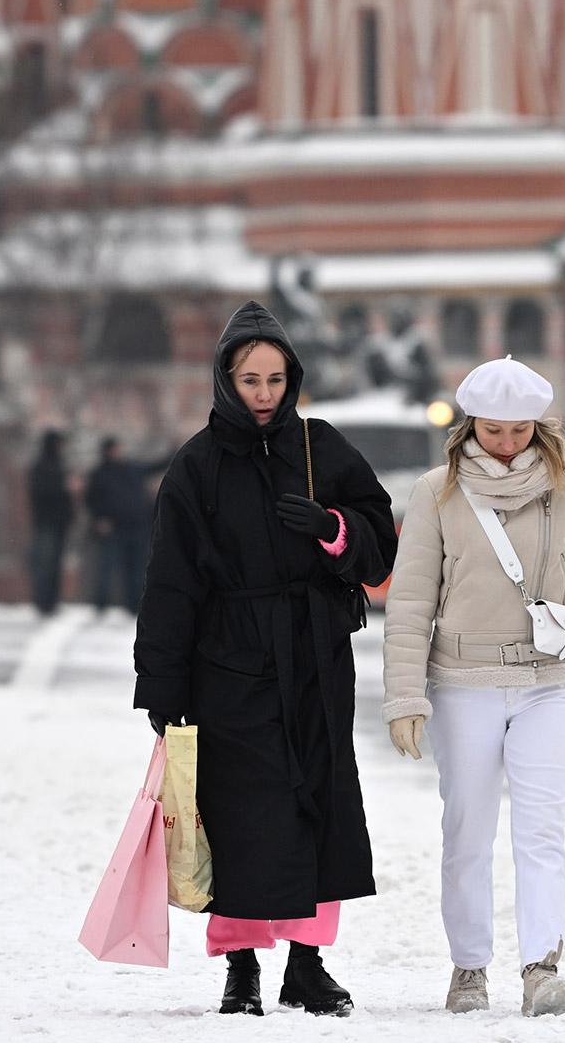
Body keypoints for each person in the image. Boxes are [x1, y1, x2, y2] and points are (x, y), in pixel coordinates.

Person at [133, 301, 398, 1018]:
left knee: (316, 798)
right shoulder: (195, 467)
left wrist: (334, 529)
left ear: (293, 378)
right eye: (250, 379)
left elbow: (380, 537)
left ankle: (307, 965)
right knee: (239, 811)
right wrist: (162, 685)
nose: (264, 394)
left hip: (313, 650)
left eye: (276, 379)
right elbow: (171, 582)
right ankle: (241, 968)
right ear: (225, 379)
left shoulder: (324, 447)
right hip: (228, 658)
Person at [381, 357, 565, 1020]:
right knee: (467, 830)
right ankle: (469, 967)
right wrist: (406, 696)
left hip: (551, 683)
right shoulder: (437, 492)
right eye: (494, 430)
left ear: (540, 428)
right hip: (464, 683)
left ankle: (541, 968)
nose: (508, 443)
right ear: (469, 425)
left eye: (521, 431)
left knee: (542, 830)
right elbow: (408, 604)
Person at [85, 437, 154, 616]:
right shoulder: (100, 473)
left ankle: (135, 605)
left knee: (136, 568)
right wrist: (99, 519)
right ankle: (100, 605)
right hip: (113, 528)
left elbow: (154, 467)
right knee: (107, 568)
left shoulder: (131, 468)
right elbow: (91, 500)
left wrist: (174, 451)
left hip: (138, 527)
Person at [26, 430, 74, 618]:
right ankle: (44, 602)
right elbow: (42, 491)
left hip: (59, 522)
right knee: (46, 564)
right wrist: (64, 486)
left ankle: (51, 602)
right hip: (47, 522)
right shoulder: (43, 466)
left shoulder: (58, 464)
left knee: (54, 564)